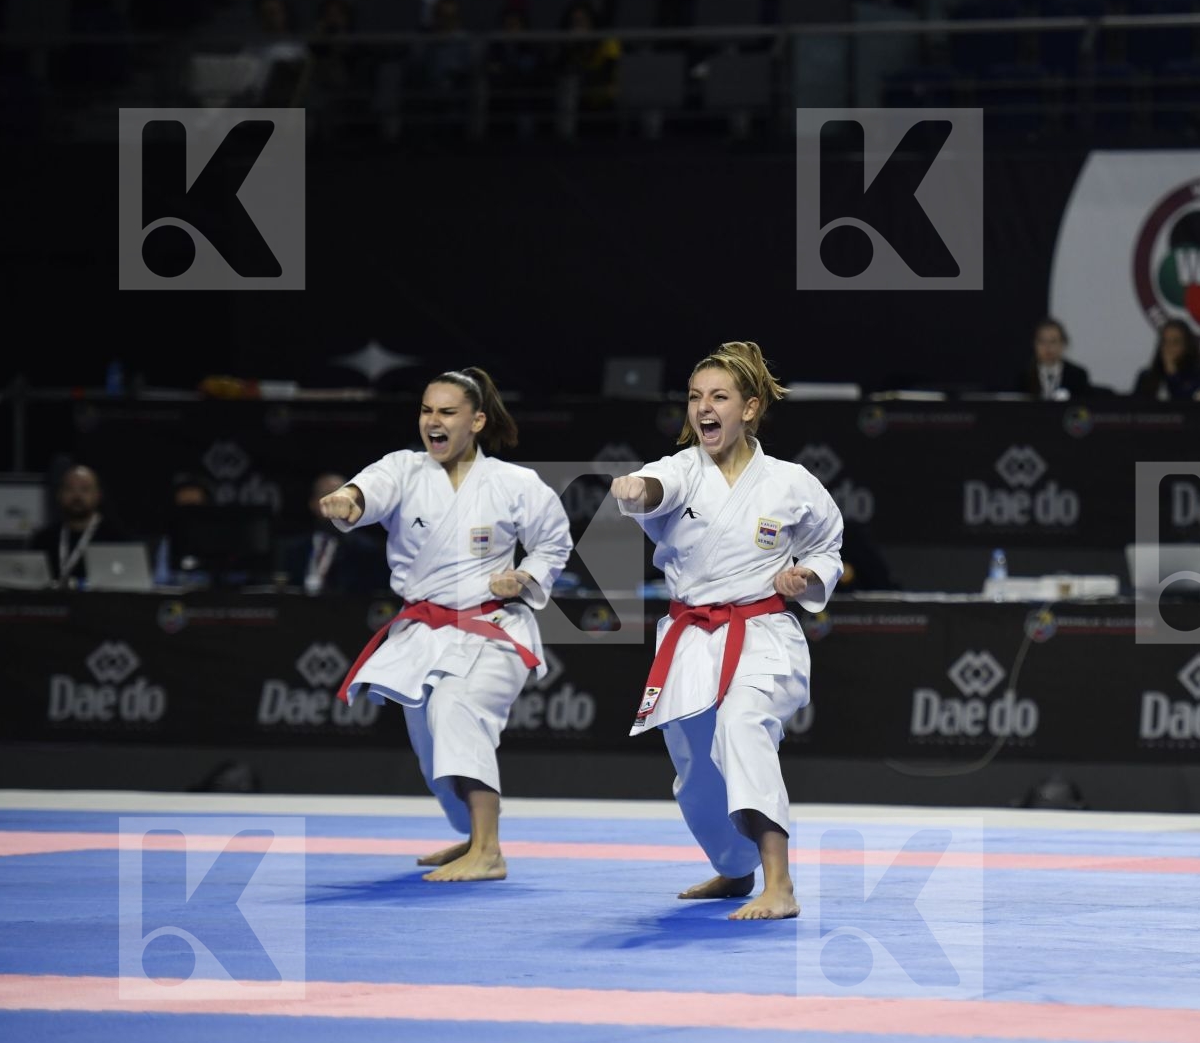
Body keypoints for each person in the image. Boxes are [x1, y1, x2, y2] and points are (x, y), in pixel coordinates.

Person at [611, 341, 844, 921]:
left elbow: (827, 545)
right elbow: (656, 485)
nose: (703, 408)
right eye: (694, 398)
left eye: (718, 397)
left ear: (751, 408)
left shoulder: (791, 483)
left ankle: (779, 882)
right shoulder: (682, 469)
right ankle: (735, 867)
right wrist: (638, 490)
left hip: (762, 632)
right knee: (693, 770)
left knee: (741, 728)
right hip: (692, 637)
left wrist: (807, 575)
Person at [323, 368, 571, 882]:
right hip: (425, 629)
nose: (432, 422)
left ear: (476, 420)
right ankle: (469, 836)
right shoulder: (405, 470)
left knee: (459, 708)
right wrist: (348, 500)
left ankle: (489, 849)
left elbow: (554, 542)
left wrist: (525, 576)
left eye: (447, 412)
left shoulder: (514, 483)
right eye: (426, 411)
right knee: (430, 740)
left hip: (494, 624)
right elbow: (369, 488)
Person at [276, 472, 390, 594]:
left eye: (341, 497)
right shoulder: (292, 549)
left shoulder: (368, 550)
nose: (335, 503)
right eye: (327, 495)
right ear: (313, 503)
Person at [29, 465, 130, 588]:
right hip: (52, 605)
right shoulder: (42, 540)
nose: (77, 496)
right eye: (69, 489)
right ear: (59, 494)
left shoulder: (116, 539)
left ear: (98, 495)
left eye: (85, 489)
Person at [1132, 320, 1200, 402]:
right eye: (1165, 342)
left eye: (1175, 342)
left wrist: (1173, 374)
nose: (1169, 347)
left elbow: (1189, 405)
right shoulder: (1146, 377)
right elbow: (1136, 411)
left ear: (1187, 345)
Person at [1018, 317, 1092, 400]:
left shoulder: (1077, 375)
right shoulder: (1023, 376)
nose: (1048, 347)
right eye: (1042, 341)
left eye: (1053, 341)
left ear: (1063, 344)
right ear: (1035, 345)